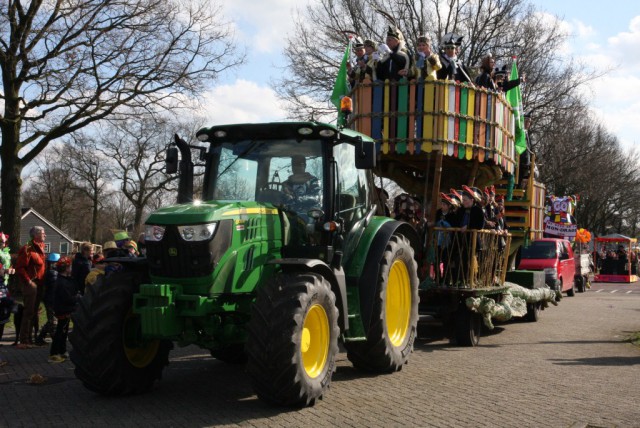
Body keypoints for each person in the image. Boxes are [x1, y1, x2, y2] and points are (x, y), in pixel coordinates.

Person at [15, 226, 47, 349]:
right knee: (28, 312)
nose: (45, 235)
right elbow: (20, 268)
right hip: (31, 284)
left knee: (35, 312)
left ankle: (31, 338)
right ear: (36, 235)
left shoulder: (41, 248)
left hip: (39, 284)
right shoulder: (27, 249)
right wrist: (28, 281)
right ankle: (24, 340)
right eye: (43, 233)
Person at [48, 256, 79, 363]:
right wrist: (77, 298)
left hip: (66, 309)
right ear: (66, 268)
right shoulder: (61, 283)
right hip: (63, 309)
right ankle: (54, 353)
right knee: (60, 332)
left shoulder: (66, 280)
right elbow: (67, 298)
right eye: (69, 267)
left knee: (64, 331)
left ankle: (62, 350)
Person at [34, 252, 60, 346]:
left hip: (50, 299)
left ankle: (41, 338)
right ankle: (51, 339)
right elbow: (54, 289)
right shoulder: (53, 274)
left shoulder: (51, 272)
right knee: (53, 321)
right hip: (51, 300)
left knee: (52, 320)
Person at [0, 232, 16, 365]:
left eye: (4, 241)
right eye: (1, 241)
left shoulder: (4, 252)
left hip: (3, 284)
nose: (3, 244)